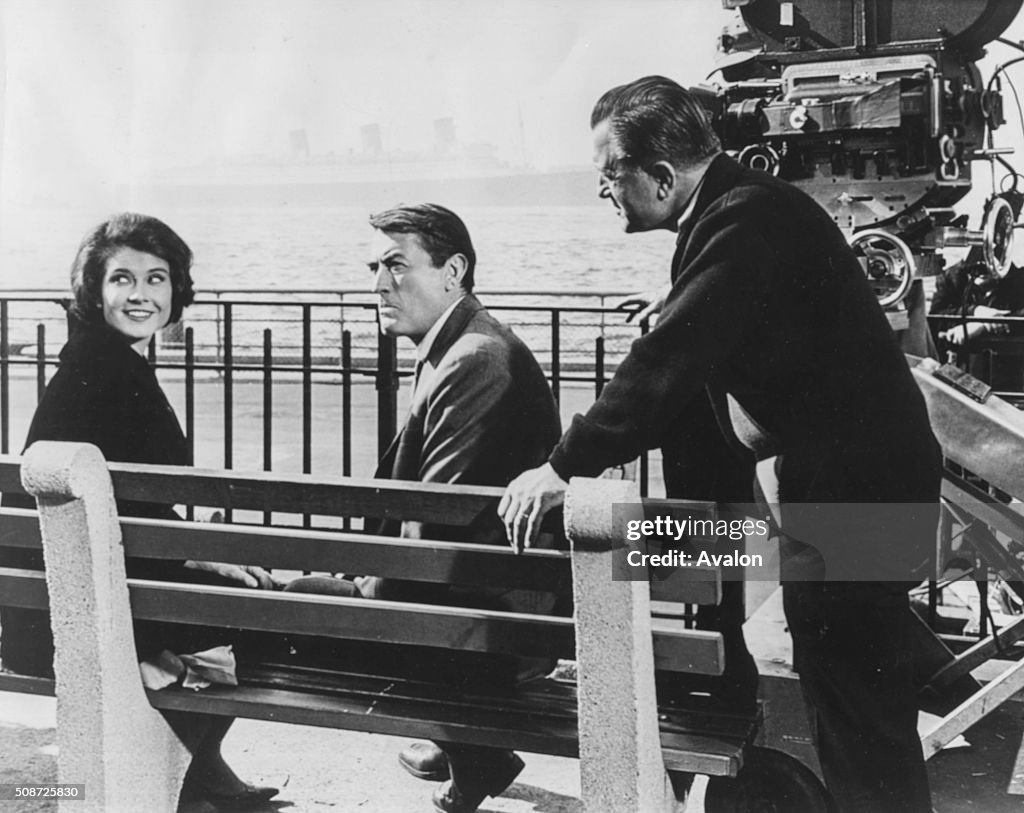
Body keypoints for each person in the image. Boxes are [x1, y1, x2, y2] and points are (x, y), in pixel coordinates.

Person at [499, 76, 942, 813]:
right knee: (854, 685)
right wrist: (683, 304)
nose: (602, 193)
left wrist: (560, 463)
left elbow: (668, 360)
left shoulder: (741, 222)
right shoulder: (739, 211)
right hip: (861, 488)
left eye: (609, 175)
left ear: (664, 177)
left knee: (859, 707)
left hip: (858, 499)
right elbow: (726, 323)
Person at [286, 203, 562, 813]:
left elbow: (435, 522)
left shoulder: (474, 359)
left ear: (452, 270)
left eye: (395, 266)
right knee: (307, 594)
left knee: (279, 610)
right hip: (483, 604)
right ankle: (462, 740)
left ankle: (471, 742)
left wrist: (360, 594)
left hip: (489, 626)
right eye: (374, 267)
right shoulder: (460, 342)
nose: (378, 284)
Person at [0, 213, 278, 810]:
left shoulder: (89, 358)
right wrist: (206, 559)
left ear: (176, 291)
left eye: (156, 279)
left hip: (42, 608)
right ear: (94, 290)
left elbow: (124, 507)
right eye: (121, 279)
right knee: (270, 619)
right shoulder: (114, 367)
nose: (140, 294)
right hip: (90, 611)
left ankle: (202, 773)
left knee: (236, 592)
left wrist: (198, 553)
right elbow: (138, 508)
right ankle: (195, 773)